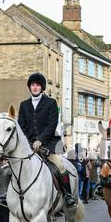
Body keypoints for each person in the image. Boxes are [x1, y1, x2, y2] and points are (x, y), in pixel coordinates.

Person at [18, 72, 75, 207]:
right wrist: (28, 142)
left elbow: (52, 124)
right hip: (29, 145)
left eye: (37, 85)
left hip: (49, 144)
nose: (35, 87)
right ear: (29, 87)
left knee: (60, 166)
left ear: (42, 87)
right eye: (32, 85)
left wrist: (40, 140)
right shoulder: (24, 105)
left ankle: (67, 195)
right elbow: (21, 126)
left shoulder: (51, 103)